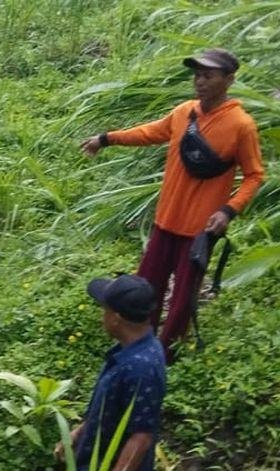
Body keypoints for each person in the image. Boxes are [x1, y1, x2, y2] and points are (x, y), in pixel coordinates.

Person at [80, 48, 265, 363]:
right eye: (197, 75)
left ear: (229, 80)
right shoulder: (183, 113)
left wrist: (228, 210)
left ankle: (166, 355)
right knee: (146, 286)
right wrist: (107, 138)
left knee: (182, 298)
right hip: (165, 221)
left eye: (208, 76)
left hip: (199, 231)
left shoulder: (240, 125)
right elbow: (150, 132)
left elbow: (254, 175)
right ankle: (137, 345)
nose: (199, 81)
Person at [31, 275, 167, 471]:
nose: (101, 315)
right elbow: (115, 407)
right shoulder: (128, 351)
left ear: (116, 318)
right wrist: (81, 430)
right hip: (93, 468)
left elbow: (141, 437)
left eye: (103, 309)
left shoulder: (141, 367)